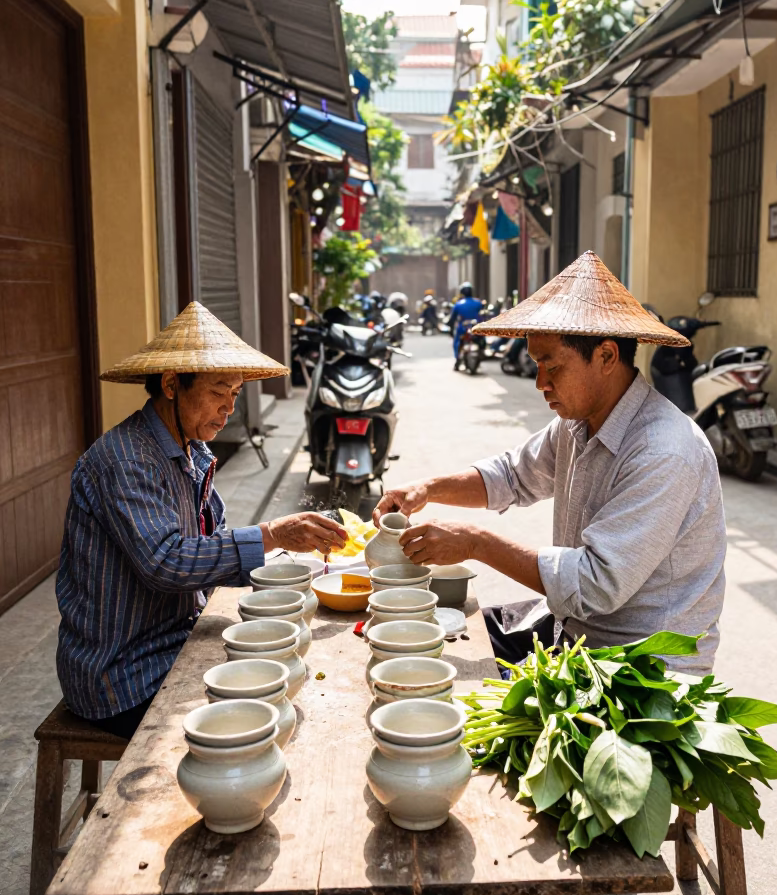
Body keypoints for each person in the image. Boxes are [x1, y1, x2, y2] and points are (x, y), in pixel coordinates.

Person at [373, 251, 726, 675]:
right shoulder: (579, 423)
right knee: (437, 635)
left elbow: (595, 585)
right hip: (574, 632)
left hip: (637, 668)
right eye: (537, 364)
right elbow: (512, 475)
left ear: (607, 357)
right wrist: (427, 488)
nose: (540, 382)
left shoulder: (662, 451)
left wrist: (475, 542)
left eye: (551, 365)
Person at [56, 302, 347, 739]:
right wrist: (272, 534)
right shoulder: (126, 460)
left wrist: (282, 557)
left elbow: (212, 544)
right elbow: (167, 562)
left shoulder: (192, 452)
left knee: (292, 672)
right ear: (172, 384)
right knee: (264, 714)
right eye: (217, 392)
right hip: (122, 673)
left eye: (235, 393)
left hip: (176, 637)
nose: (229, 408)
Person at [450, 282, 484, 370]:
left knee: (457, 342)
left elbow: (452, 318)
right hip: (476, 328)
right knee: (482, 339)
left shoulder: (458, 304)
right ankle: (482, 352)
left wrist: (449, 326)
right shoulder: (478, 303)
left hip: (463, 328)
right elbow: (483, 315)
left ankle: (457, 359)